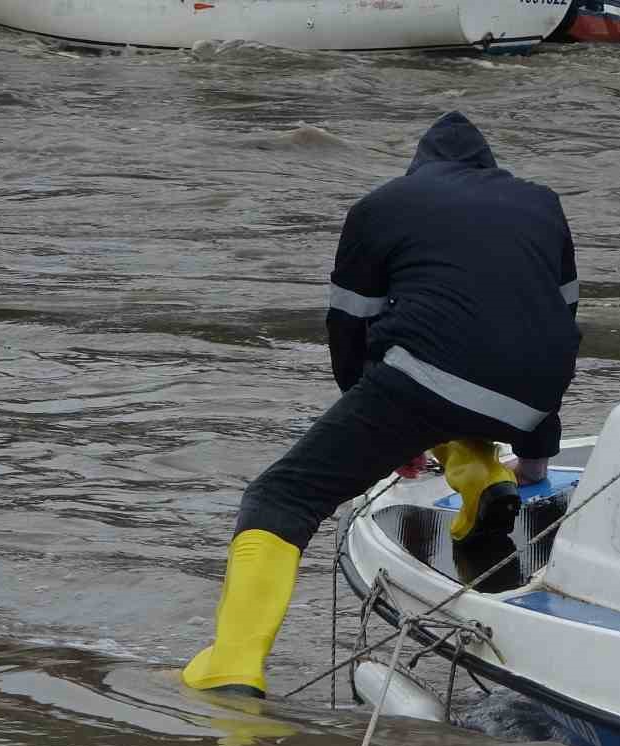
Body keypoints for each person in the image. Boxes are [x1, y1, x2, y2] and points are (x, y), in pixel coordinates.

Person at [182, 111, 581, 697]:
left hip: (427, 381)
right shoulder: (542, 204)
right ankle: (485, 480)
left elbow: (349, 328)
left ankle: (231, 668)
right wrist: (536, 456)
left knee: (281, 496)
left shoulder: (381, 205)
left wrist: (381, 433)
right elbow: (557, 322)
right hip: (532, 392)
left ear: (418, 166)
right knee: (460, 377)